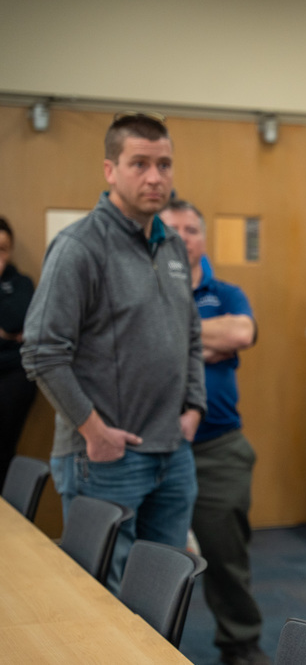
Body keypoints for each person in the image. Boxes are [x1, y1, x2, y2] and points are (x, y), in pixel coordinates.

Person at [20, 112, 204, 591]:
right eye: (139, 163)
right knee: (101, 597)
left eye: (164, 164)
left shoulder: (171, 247)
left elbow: (190, 334)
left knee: (164, 590)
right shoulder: (79, 246)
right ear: (110, 170)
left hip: (173, 450)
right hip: (103, 457)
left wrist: (195, 408)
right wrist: (94, 431)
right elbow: (41, 352)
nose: (154, 177)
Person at [161, 201, 268, 665]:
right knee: (152, 555)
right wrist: (203, 343)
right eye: (172, 230)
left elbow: (242, 333)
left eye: (191, 229)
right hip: (151, 447)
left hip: (218, 446)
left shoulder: (225, 292)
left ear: (202, 239)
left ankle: (240, 644)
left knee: (227, 556)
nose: (183, 237)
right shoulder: (140, 288)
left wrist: (169, 340)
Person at [0, 217, 37, 486]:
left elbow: (16, 320)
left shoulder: (21, 283)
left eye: (2, 249)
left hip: (14, 374)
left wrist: (9, 331)